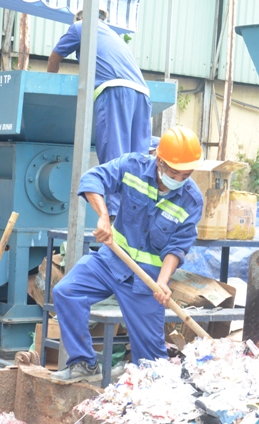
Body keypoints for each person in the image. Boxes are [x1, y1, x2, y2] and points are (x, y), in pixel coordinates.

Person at [50, 126, 204, 384]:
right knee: (66, 291)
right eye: (174, 172)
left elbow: (177, 246)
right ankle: (83, 364)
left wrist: (163, 282)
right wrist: (102, 217)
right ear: (160, 161)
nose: (179, 178)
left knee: (152, 365)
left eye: (186, 174)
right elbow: (93, 179)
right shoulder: (132, 166)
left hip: (145, 282)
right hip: (110, 262)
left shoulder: (191, 200)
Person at [47, 0, 152, 218]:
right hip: (142, 93)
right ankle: (138, 213)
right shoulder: (114, 36)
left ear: (80, 18)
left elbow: (55, 56)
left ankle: (113, 215)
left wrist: (49, 82)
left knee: (115, 153)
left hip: (115, 92)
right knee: (138, 158)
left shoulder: (80, 27)